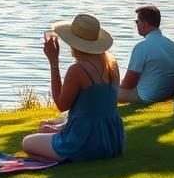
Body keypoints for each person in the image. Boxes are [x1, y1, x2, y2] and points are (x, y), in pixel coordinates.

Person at [22, 14, 125, 162]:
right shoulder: (112, 64)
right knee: (47, 126)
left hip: (84, 142)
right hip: (112, 141)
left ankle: (63, 156)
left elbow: (61, 105)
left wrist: (54, 62)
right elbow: (96, 108)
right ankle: (58, 142)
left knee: (28, 142)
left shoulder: (78, 70)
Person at [118, 5, 174, 103]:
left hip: (146, 96)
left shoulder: (142, 47)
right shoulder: (173, 46)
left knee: (106, 91)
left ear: (144, 23)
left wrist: (118, 86)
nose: (136, 25)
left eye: (137, 22)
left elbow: (128, 84)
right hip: (166, 93)